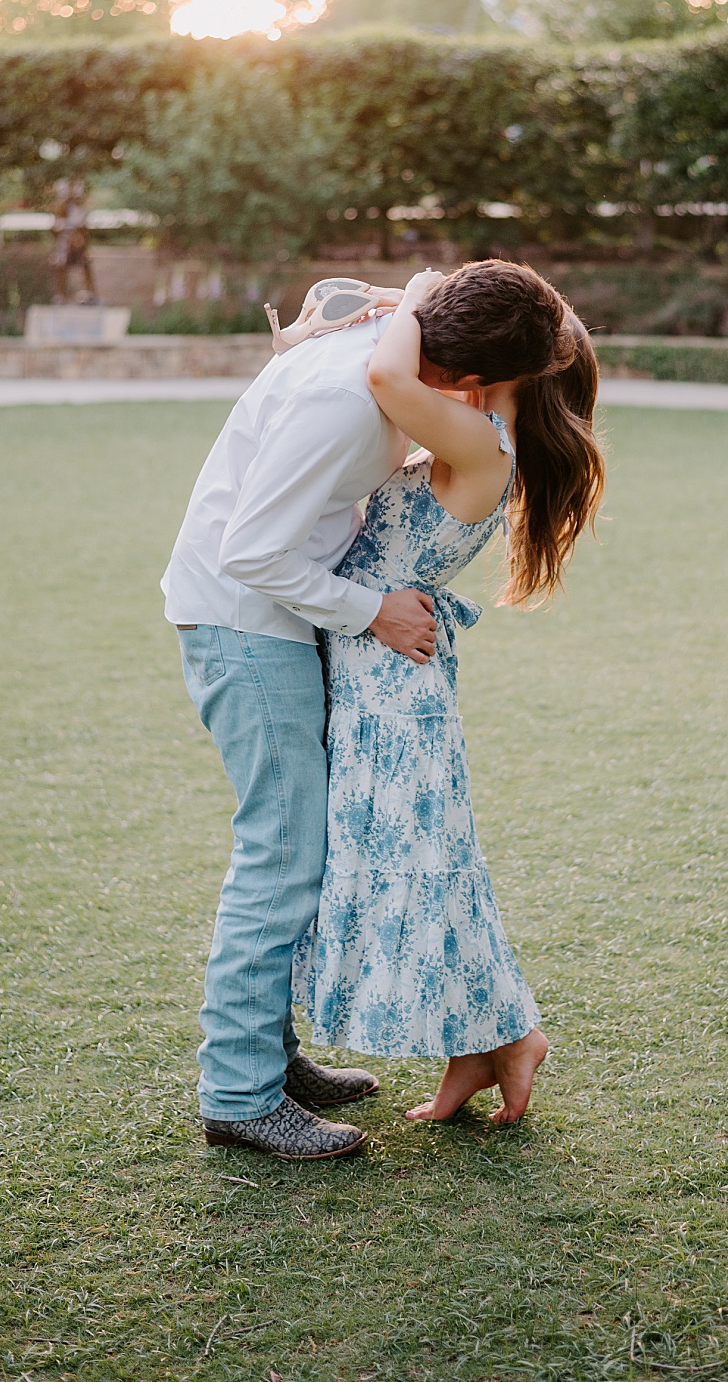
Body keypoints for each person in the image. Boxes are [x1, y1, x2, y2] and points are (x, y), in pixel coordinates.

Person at [161, 258, 568, 1160]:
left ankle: (267, 1059)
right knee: (280, 851)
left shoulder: (395, 353)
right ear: (470, 379)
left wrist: (414, 295)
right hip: (246, 620)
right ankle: (238, 1093)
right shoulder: (351, 397)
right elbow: (249, 550)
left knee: (298, 848)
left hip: (279, 618)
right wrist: (372, 609)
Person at [292, 267, 603, 1126]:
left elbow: (387, 375)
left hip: (395, 684)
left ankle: (514, 1034)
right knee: (431, 862)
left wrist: (418, 289)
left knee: (426, 867)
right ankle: (480, 1046)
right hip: (379, 669)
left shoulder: (485, 445)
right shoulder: (480, 434)